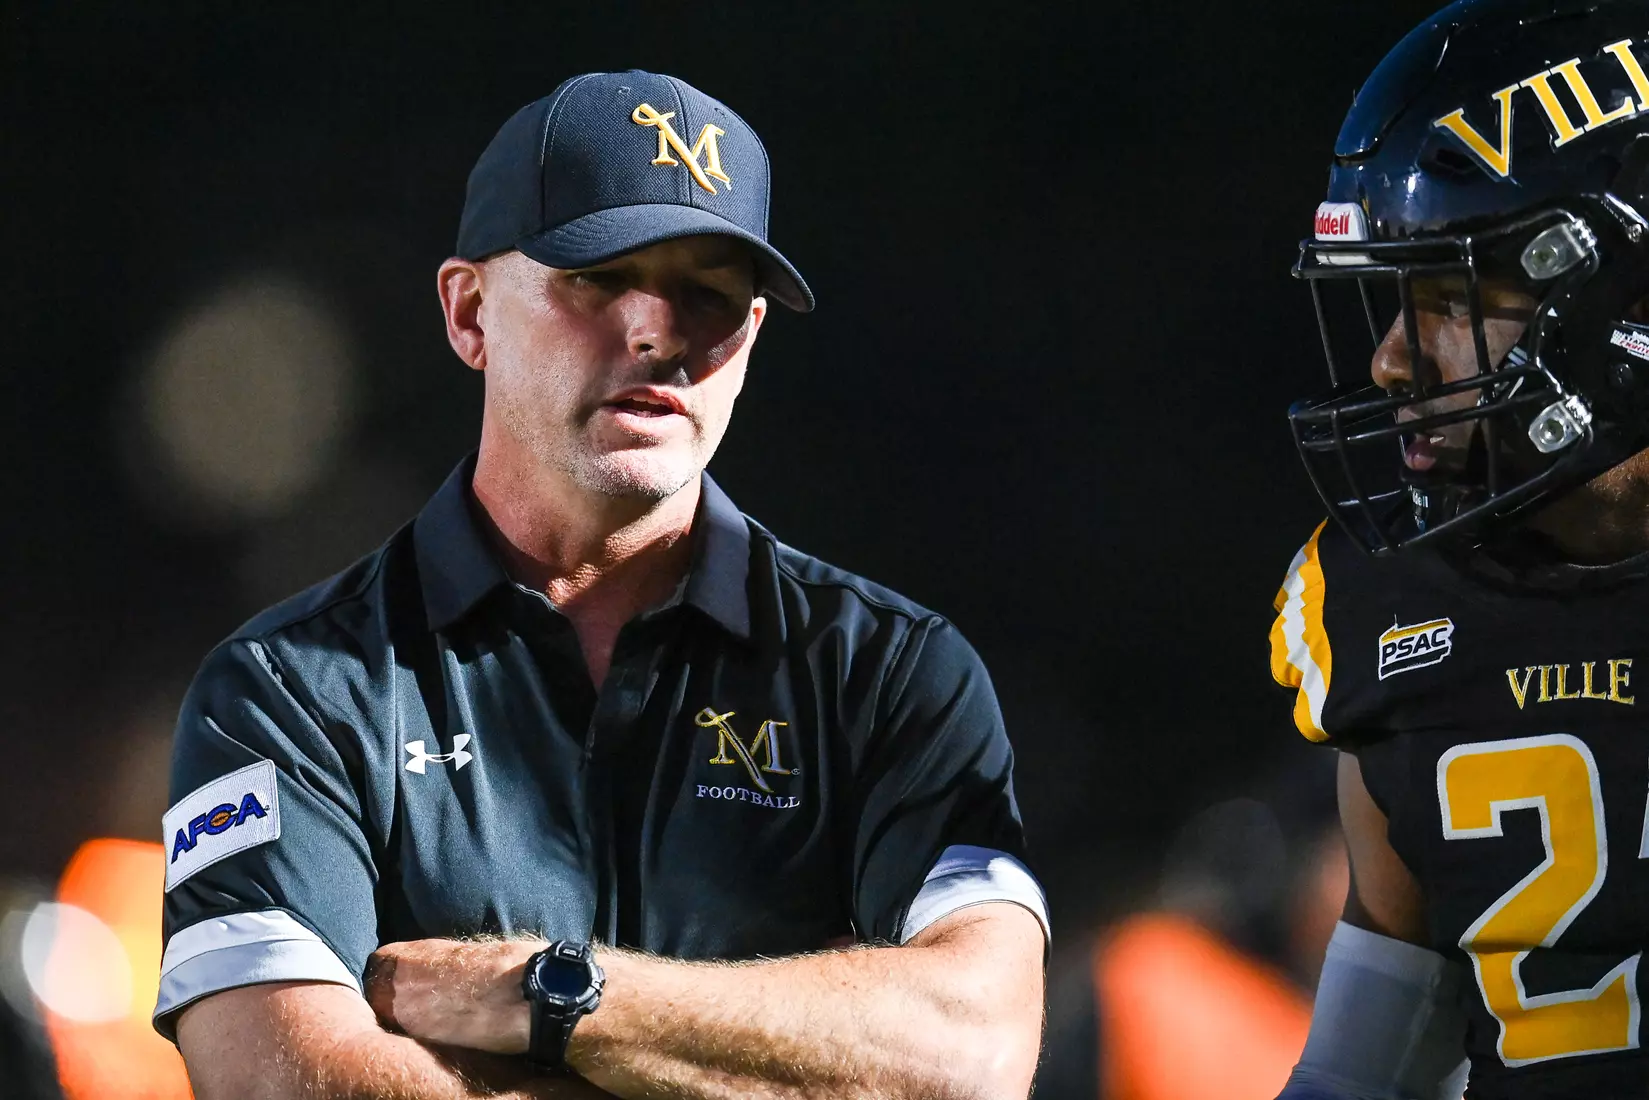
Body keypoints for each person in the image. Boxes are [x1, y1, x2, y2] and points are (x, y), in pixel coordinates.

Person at [152, 70, 1048, 1100]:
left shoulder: (889, 674)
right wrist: (798, 1057)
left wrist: (547, 996)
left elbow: (970, 1055)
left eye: (710, 292)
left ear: (751, 336)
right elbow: (287, 1084)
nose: (660, 329)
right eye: (598, 274)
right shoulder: (284, 691)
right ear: (469, 312)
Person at [1269, 1, 1649, 1097]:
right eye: (1398, 299)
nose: (1391, 361)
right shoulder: (1384, 596)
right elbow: (1365, 1066)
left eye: (1448, 297)